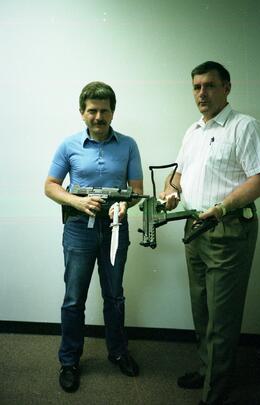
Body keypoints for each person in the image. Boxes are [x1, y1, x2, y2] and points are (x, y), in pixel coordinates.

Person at [160, 61, 260, 405]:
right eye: (196, 86)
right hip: (195, 228)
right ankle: (210, 370)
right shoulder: (192, 131)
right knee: (202, 309)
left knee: (222, 315)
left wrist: (222, 207)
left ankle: (216, 391)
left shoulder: (245, 127)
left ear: (227, 87)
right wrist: (170, 192)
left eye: (209, 85)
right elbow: (176, 175)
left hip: (228, 229)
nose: (201, 93)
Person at [44, 81, 143, 392]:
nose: (98, 116)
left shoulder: (128, 145)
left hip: (115, 227)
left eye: (104, 110)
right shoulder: (68, 145)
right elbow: (50, 185)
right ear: (82, 112)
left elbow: (137, 190)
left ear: (113, 112)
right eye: (92, 111)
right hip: (78, 228)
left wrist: (124, 206)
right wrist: (77, 201)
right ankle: (69, 360)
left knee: (114, 296)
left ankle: (117, 352)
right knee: (74, 298)